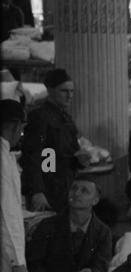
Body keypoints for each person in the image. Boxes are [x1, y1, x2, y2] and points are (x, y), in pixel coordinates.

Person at [21, 67, 89, 213]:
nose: (70, 96)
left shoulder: (66, 118)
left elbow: (62, 153)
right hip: (48, 187)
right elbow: (33, 156)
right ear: (51, 91)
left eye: (72, 91)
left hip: (64, 185)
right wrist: (37, 191)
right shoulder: (40, 116)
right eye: (64, 91)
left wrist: (79, 160)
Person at [0, 98, 28, 272]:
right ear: (15, 126)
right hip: (6, 256)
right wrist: (17, 262)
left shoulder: (7, 155)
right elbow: (7, 215)